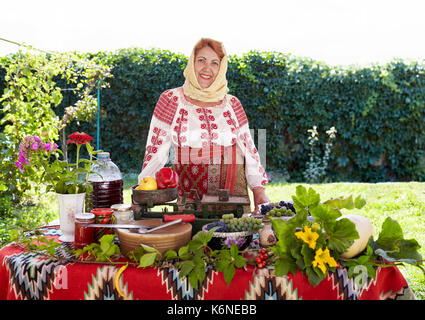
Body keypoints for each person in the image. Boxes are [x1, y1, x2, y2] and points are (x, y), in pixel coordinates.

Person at [138, 38, 269, 213]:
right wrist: (142, 194)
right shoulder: (171, 100)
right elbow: (155, 151)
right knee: (193, 239)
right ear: (192, 63)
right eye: (201, 60)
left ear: (221, 68)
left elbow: (249, 149)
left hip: (234, 197)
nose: (208, 68)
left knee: (235, 238)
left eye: (215, 63)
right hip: (191, 198)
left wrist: (259, 192)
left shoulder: (233, 104)